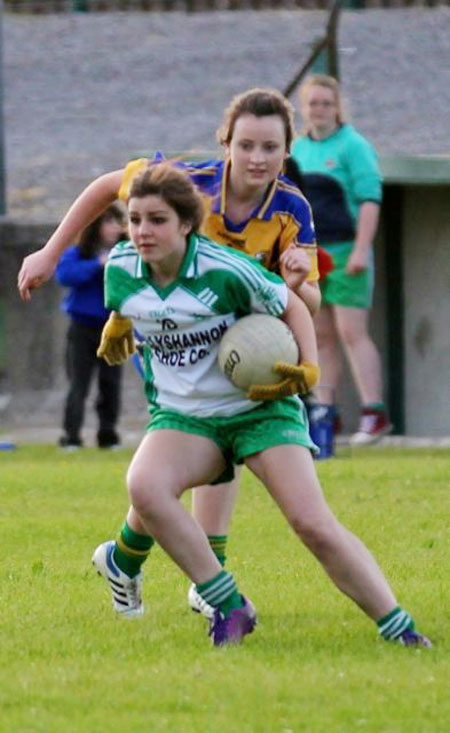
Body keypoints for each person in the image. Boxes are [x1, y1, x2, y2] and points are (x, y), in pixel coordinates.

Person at [17, 87, 321, 617]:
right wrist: (51, 249)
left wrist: (298, 281)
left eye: (270, 147)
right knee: (212, 441)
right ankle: (209, 580)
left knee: (208, 450)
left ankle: (128, 560)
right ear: (224, 142)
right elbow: (107, 185)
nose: (257, 158)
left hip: (240, 337)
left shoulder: (293, 208)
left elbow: (309, 301)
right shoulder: (191, 185)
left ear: (286, 151)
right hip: (173, 330)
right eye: (246, 144)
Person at [98, 164, 428, 648]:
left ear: (187, 224)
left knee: (312, 524)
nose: (143, 231)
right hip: (187, 418)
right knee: (145, 487)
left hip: (258, 410)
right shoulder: (121, 267)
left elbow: (292, 305)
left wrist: (309, 369)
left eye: (157, 220)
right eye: (135, 219)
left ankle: (399, 628)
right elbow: (126, 300)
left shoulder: (223, 269)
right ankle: (230, 606)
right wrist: (119, 325)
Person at [291, 74, 392, 446]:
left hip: (347, 249)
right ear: (304, 109)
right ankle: (325, 412)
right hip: (312, 254)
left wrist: (363, 249)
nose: (319, 110)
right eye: (313, 103)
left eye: (326, 103)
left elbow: (369, 198)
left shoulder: (353, 146)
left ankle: (374, 411)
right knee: (321, 334)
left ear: (337, 107)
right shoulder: (298, 149)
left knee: (352, 332)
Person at [55, 205, 126, 449]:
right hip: (82, 328)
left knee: (111, 385)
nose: (115, 228)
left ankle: (108, 436)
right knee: (78, 384)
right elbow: (65, 275)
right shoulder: (80, 253)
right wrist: (98, 264)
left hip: (113, 329)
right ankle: (71, 436)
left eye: (118, 222)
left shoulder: (126, 252)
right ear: (96, 227)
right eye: (109, 222)